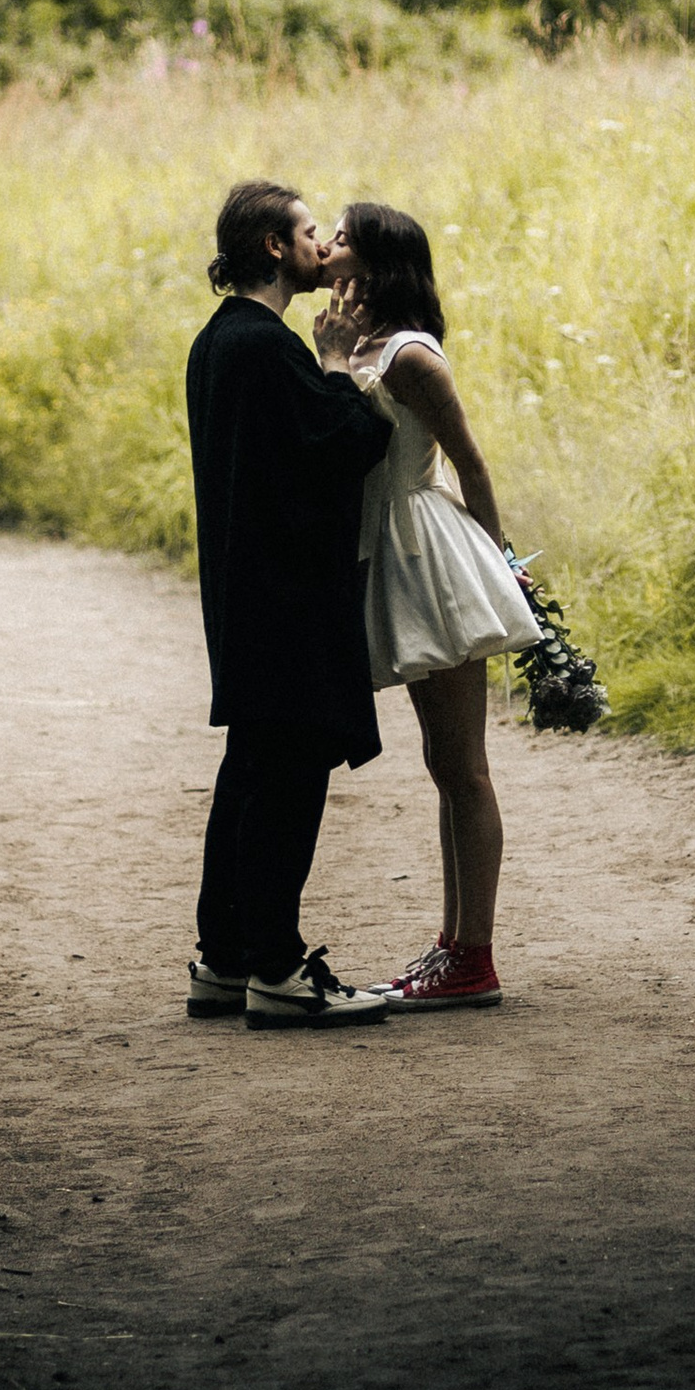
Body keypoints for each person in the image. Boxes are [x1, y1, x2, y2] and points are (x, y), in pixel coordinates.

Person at [184, 181, 397, 1030]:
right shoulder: (267, 347)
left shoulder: (216, 343)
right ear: (273, 247)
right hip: (289, 600)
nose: (321, 244)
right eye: (309, 232)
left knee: (251, 772)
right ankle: (276, 965)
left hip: (247, 593)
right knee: (287, 779)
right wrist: (339, 365)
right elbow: (345, 446)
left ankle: (225, 957)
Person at [329, 198, 540, 1011]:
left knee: (464, 767)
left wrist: (504, 567)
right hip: (394, 553)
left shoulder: (413, 356)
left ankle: (474, 956)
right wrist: (340, 357)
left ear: (379, 262)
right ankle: (453, 946)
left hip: (430, 556)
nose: (329, 247)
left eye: (342, 238)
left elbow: (472, 466)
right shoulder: (360, 344)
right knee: (442, 765)